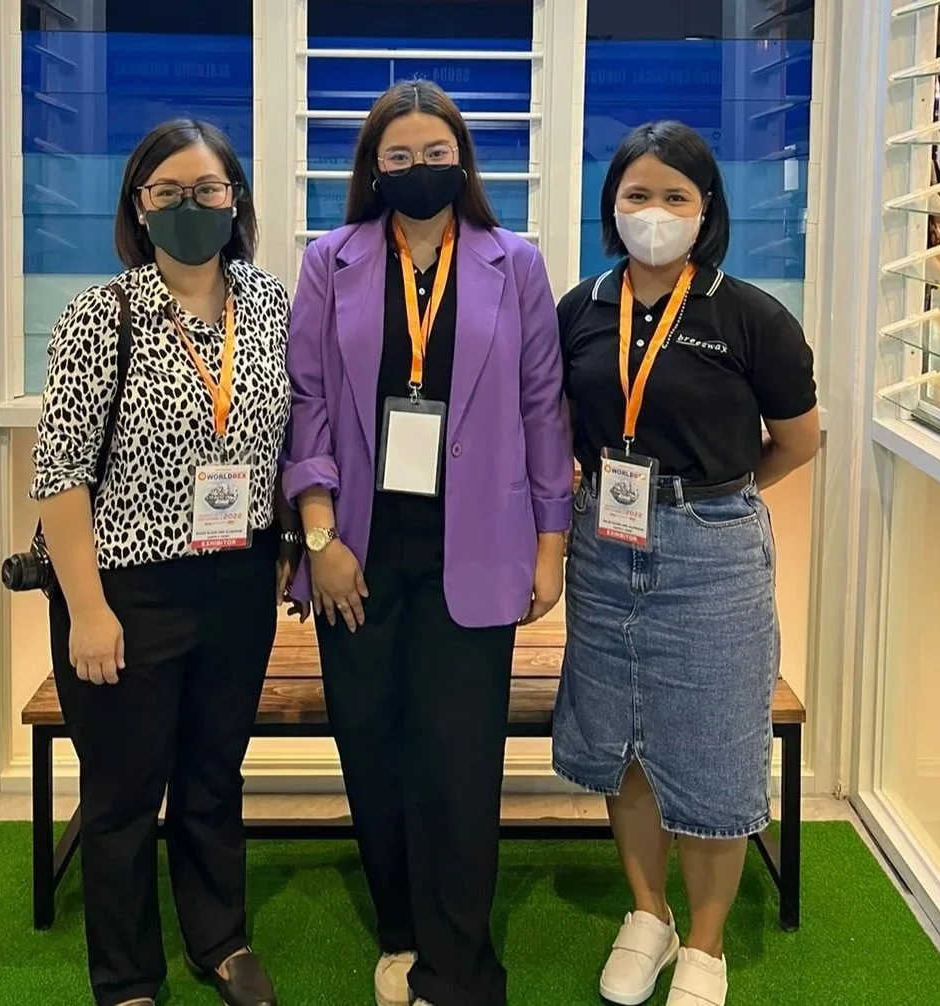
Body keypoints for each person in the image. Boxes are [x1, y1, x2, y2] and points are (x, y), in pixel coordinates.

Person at [282, 80, 571, 1006]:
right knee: (371, 748)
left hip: (477, 547)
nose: (416, 169)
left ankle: (460, 967)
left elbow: (541, 407)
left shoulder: (511, 263)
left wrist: (551, 541)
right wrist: (318, 533)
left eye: (433, 154)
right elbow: (310, 401)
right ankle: (400, 933)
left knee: (457, 757)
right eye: (397, 156)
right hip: (356, 551)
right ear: (373, 167)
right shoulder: (330, 262)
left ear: (462, 162)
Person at [31, 118, 298, 1006]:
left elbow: (285, 440)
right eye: (168, 193)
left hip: (236, 581)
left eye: (209, 191)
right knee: (121, 793)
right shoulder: (97, 315)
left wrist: (290, 544)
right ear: (139, 209)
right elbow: (60, 474)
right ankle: (126, 976)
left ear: (237, 201)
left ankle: (219, 937)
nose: (191, 207)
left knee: (214, 775)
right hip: (124, 591)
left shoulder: (268, 305)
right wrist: (90, 610)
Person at [553, 121, 821, 1006]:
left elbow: (797, 441)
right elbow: (557, 423)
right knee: (623, 739)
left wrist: (715, 494)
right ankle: (647, 913)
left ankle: (705, 947)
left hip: (711, 549)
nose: (655, 213)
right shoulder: (582, 308)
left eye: (676, 197)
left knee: (712, 747)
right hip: (604, 543)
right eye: (638, 196)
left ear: (706, 213)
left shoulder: (750, 316)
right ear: (612, 207)